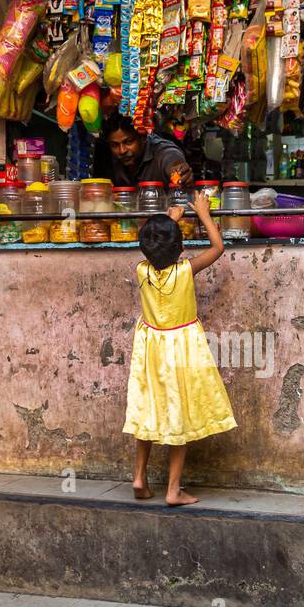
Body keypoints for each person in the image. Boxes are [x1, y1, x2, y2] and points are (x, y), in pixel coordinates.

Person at [124, 191, 236, 505]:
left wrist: (168, 222)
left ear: (144, 248)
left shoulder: (141, 271)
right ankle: (173, 490)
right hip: (182, 348)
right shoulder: (185, 271)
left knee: (149, 411)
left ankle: (139, 477)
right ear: (182, 247)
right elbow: (218, 247)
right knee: (179, 416)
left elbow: (155, 250)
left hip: (151, 350)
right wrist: (202, 212)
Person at [98, 112, 193, 188]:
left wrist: (179, 170)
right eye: (115, 145)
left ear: (143, 138)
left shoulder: (162, 151)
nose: (122, 150)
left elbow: (172, 160)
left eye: (129, 142)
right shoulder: (108, 157)